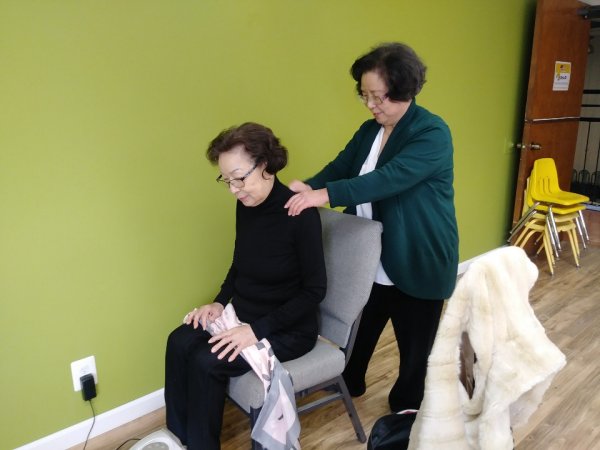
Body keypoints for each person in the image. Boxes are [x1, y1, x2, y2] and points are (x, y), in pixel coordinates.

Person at [285, 42, 458, 413]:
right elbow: (341, 167)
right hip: (372, 253)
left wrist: (323, 196)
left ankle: (407, 406)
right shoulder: (370, 131)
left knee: (415, 345)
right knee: (360, 327)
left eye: (378, 97)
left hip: (416, 254)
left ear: (405, 90)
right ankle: (350, 380)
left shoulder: (431, 133)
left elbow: (388, 179)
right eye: (365, 96)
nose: (370, 105)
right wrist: (307, 187)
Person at [165, 122, 327, 449]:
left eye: (239, 178)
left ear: (265, 164)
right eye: (226, 180)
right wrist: (219, 302)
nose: (233, 189)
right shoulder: (246, 204)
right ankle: (178, 439)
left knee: (207, 361)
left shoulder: (300, 215)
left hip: (288, 329)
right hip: (245, 314)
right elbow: (240, 263)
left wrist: (256, 331)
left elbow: (314, 291)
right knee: (179, 340)